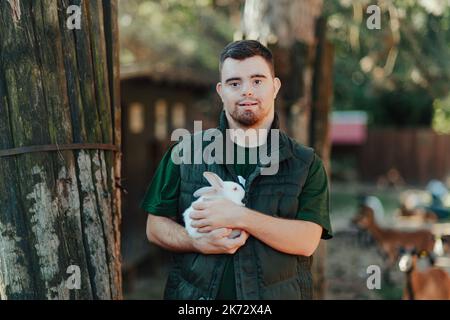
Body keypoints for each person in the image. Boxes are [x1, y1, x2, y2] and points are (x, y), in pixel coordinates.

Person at [141, 40, 332, 300]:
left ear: (274, 87)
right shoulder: (185, 152)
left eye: (257, 81)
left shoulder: (305, 163)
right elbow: (155, 226)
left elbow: (307, 241)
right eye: (234, 83)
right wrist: (195, 241)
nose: (247, 91)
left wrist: (239, 216)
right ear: (221, 91)